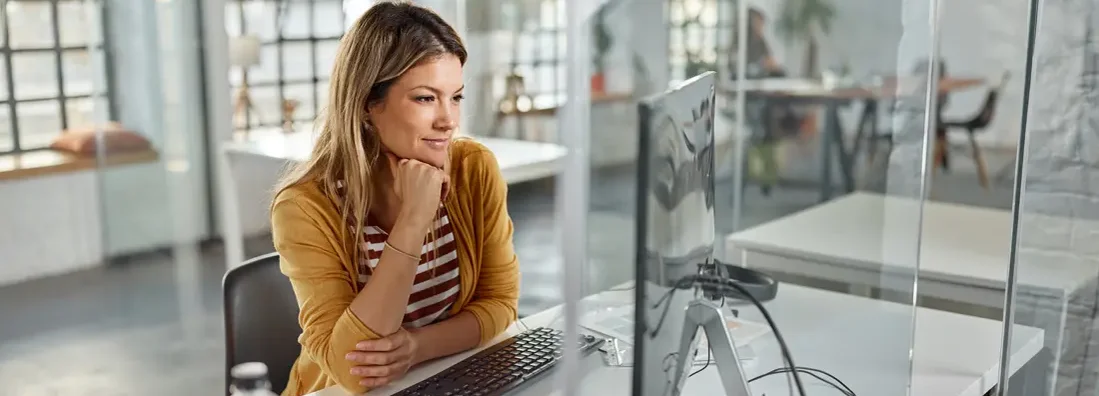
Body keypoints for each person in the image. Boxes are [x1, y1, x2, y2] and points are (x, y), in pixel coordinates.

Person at [269, 2, 519, 395]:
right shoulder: (303, 207)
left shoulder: (474, 169)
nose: (449, 120)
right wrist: (413, 222)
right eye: (425, 98)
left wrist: (417, 347)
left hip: (442, 379)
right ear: (369, 104)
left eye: (455, 97)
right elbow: (353, 371)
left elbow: (501, 302)